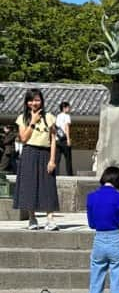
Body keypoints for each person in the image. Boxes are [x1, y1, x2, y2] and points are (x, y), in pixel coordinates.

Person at [13, 88, 59, 231]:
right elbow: (24, 138)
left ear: (42, 101)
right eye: (31, 100)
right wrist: (32, 121)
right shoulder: (22, 118)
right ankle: (32, 218)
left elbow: (53, 139)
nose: (34, 103)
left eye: (37, 100)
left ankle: (50, 219)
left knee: (48, 185)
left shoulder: (49, 117)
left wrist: (52, 160)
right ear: (27, 102)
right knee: (29, 185)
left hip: (45, 153)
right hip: (29, 153)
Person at [55, 101, 73, 176]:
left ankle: (55, 174)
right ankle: (69, 174)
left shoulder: (58, 116)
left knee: (57, 158)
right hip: (64, 139)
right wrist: (68, 139)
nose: (69, 109)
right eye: (68, 107)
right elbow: (66, 127)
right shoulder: (67, 116)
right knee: (68, 158)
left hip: (57, 139)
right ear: (64, 108)